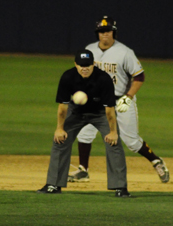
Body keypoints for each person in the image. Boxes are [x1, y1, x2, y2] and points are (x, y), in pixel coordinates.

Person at [67, 16, 170, 184]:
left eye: (107, 31)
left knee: (131, 141)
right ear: (97, 34)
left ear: (113, 32)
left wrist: (128, 97)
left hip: (120, 99)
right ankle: (83, 170)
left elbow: (139, 76)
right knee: (85, 134)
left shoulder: (125, 52)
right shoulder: (89, 49)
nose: (104, 35)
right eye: (101, 32)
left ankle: (156, 161)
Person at [38, 49, 131, 197]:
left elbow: (110, 110)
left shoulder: (103, 78)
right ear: (76, 64)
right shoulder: (68, 77)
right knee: (59, 141)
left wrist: (113, 132)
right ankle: (53, 185)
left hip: (100, 113)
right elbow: (63, 107)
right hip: (76, 113)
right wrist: (59, 128)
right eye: (81, 65)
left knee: (114, 143)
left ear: (94, 64)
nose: (85, 68)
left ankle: (120, 187)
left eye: (88, 65)